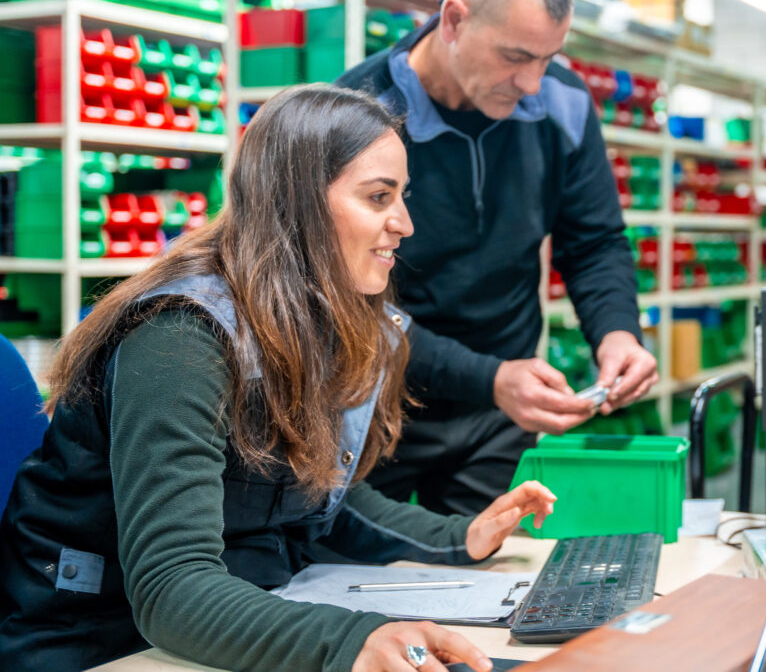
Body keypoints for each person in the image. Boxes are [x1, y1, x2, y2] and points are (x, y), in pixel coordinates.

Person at [0, 85, 556, 672]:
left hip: (226, 619)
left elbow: (317, 497)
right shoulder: (180, 339)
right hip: (98, 644)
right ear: (300, 204)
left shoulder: (310, 320)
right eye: (378, 197)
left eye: (401, 196)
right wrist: (349, 642)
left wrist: (460, 536)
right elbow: (171, 587)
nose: (405, 223)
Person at [336, 0, 660, 516]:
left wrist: (617, 330)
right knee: (357, 581)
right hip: (374, 406)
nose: (532, 83)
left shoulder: (566, 102)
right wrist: (489, 377)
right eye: (515, 57)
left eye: (547, 58)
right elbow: (340, 301)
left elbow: (594, 242)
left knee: (490, 585)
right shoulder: (356, 113)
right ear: (454, 20)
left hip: (499, 416)